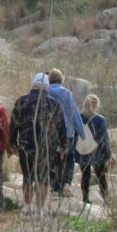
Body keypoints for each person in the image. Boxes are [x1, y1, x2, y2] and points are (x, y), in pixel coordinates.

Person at [9, 73, 67, 211]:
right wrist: (63, 146)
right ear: (47, 87)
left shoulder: (22, 101)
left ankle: (28, 206)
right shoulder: (54, 104)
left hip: (26, 145)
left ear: (33, 85)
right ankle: (40, 209)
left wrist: (13, 144)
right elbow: (62, 127)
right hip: (48, 147)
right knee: (43, 179)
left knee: (27, 177)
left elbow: (13, 125)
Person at [47, 69, 85, 197]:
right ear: (61, 80)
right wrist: (81, 132)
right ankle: (66, 184)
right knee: (69, 158)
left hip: (51, 134)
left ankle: (54, 188)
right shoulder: (66, 93)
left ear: (49, 80)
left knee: (53, 160)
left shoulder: (45, 93)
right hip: (68, 132)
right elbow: (74, 113)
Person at [78, 94, 111, 204]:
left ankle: (85, 199)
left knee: (85, 175)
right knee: (101, 176)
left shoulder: (78, 117)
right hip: (97, 152)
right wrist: (107, 154)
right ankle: (106, 199)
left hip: (83, 150)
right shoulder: (100, 119)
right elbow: (103, 139)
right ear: (96, 105)